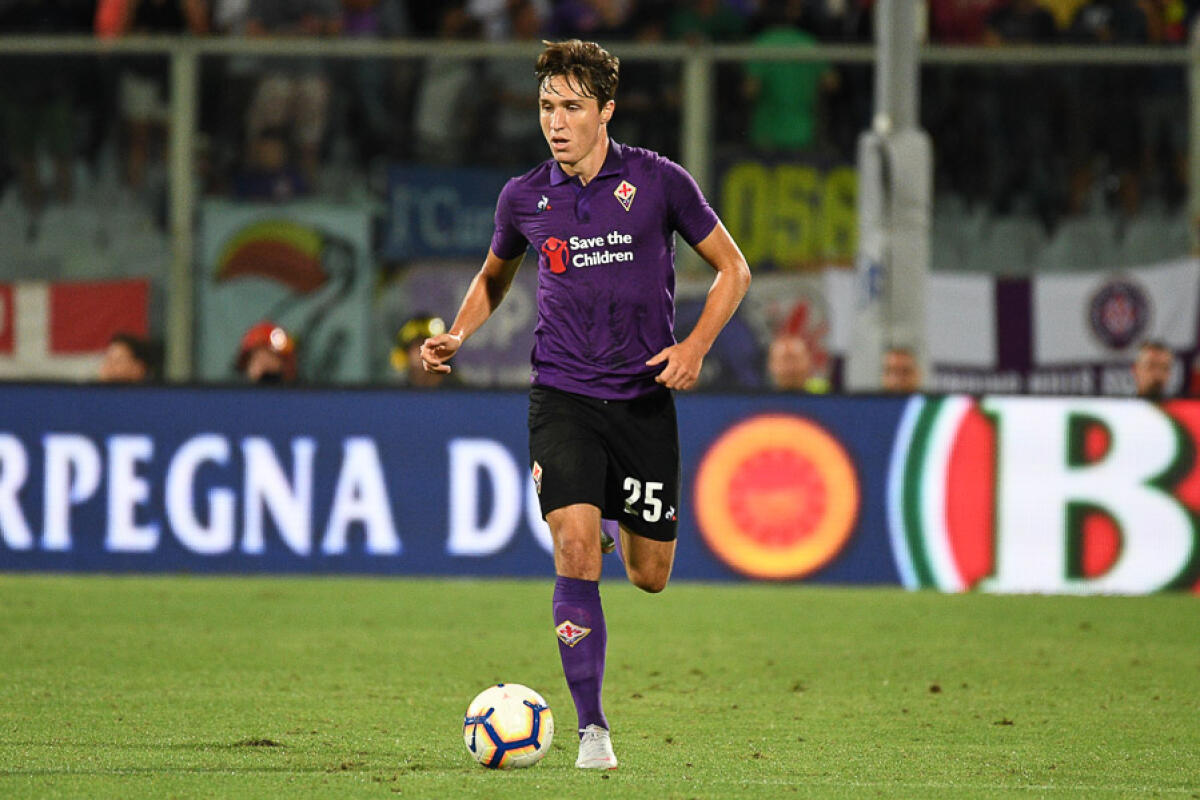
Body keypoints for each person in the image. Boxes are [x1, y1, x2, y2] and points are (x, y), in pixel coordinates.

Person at [420, 39, 750, 770]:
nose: (556, 121)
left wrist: (694, 346)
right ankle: (592, 731)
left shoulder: (658, 182)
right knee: (573, 545)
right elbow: (493, 275)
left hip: (641, 402)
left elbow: (734, 268)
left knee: (649, 575)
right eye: (546, 106)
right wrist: (459, 332)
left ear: (605, 110)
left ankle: (605, 512)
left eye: (571, 106)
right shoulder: (523, 197)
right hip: (562, 396)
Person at [390, 313, 454, 388]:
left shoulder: (459, 392)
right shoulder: (397, 394)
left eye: (428, 346)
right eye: (414, 346)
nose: (420, 352)